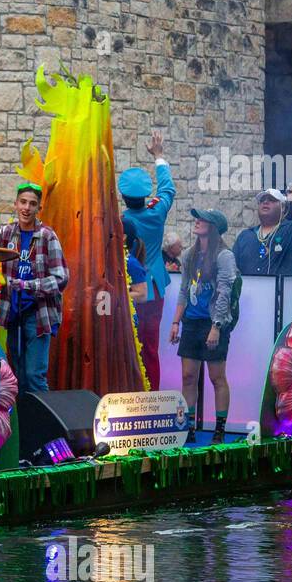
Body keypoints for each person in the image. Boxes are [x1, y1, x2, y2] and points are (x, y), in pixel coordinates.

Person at [0, 179, 69, 392]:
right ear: (16, 204)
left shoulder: (48, 236)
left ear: (39, 208)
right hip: (13, 313)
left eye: (32, 204)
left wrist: (28, 285)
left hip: (38, 316)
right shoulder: (7, 233)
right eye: (23, 202)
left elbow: (61, 278)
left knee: (34, 376)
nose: (26, 208)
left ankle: (43, 424)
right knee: (15, 374)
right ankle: (21, 423)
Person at [170, 208, 238, 442]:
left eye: (202, 219)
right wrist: (176, 321)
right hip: (192, 321)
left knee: (216, 377)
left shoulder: (223, 255)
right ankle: (188, 427)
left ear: (214, 227)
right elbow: (183, 289)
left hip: (213, 321)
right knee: (188, 376)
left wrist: (216, 327)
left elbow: (224, 293)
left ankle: (219, 428)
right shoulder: (190, 254)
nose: (196, 221)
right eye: (196, 218)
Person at [117, 132, 174, 389]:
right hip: (154, 290)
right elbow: (167, 189)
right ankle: (152, 400)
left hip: (128, 291)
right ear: (144, 195)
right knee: (150, 349)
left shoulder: (120, 222)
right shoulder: (157, 211)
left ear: (124, 196)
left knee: (126, 347)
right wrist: (159, 156)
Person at [231, 185, 292, 276]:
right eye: (262, 200)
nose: (265, 202)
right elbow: (232, 269)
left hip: (285, 291)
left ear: (283, 207)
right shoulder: (245, 236)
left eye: (272, 200)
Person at [123, 216, 148, 305]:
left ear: (123, 237)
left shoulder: (131, 263)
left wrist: (113, 298)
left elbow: (142, 295)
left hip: (125, 316)